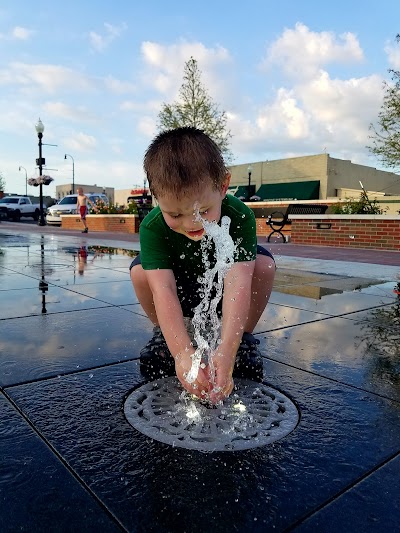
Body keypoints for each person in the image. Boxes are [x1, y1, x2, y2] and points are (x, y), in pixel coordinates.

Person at [130, 127, 275, 404]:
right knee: (140, 272)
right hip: (181, 284)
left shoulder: (238, 215)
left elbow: (238, 283)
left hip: (221, 280)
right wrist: (182, 354)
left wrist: (227, 349)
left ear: (223, 187)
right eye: (175, 214)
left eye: (204, 211)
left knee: (264, 266)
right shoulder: (153, 226)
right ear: (156, 198)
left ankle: (244, 338)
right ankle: (164, 333)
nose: (192, 223)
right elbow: (164, 291)